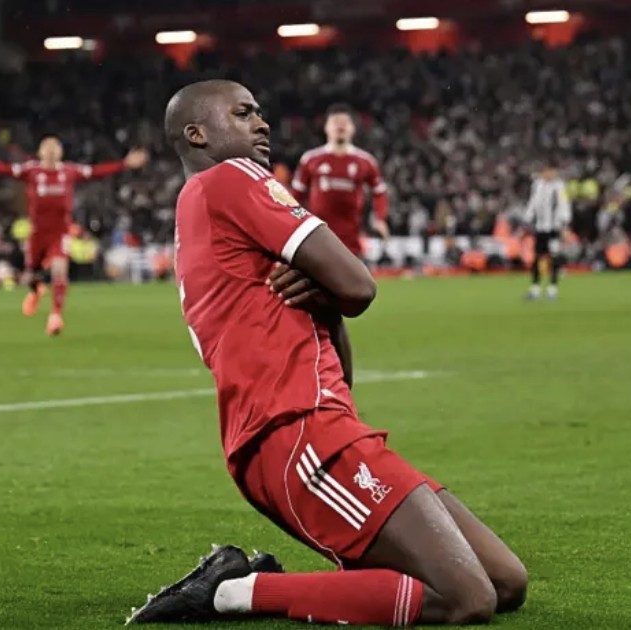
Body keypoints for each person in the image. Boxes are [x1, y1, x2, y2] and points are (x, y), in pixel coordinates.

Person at [126, 80, 526, 626]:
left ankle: (272, 586)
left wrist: (327, 303)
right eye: (243, 113)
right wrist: (335, 289)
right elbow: (359, 285)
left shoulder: (201, 214)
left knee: (506, 581)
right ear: (198, 134)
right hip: (297, 431)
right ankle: (231, 591)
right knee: (467, 598)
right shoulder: (232, 177)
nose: (262, 123)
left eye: (259, 112)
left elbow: (342, 346)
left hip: (313, 427)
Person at [0, 137, 148, 335]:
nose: (52, 151)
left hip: (59, 233)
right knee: (31, 276)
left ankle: (55, 315)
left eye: (55, 148)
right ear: (40, 152)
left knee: (59, 270)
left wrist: (124, 163)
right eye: (48, 148)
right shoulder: (31, 171)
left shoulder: (70, 171)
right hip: (37, 233)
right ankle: (36, 290)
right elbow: (4, 169)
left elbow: (97, 171)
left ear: (61, 152)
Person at [291, 103, 390, 258]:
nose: (340, 126)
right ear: (326, 127)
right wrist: (294, 222)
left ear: (353, 128)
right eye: (335, 122)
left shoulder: (366, 161)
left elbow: (380, 192)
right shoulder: (310, 159)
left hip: (352, 240)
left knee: (355, 273)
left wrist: (380, 219)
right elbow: (295, 197)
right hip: (317, 237)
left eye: (345, 122)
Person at [524, 165, 571, 300]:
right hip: (540, 228)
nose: (549, 174)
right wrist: (527, 218)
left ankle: (552, 288)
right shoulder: (537, 185)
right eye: (546, 172)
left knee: (553, 257)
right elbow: (533, 203)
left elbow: (564, 205)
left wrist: (564, 225)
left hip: (553, 228)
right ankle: (535, 288)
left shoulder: (559, 187)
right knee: (537, 257)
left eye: (551, 172)